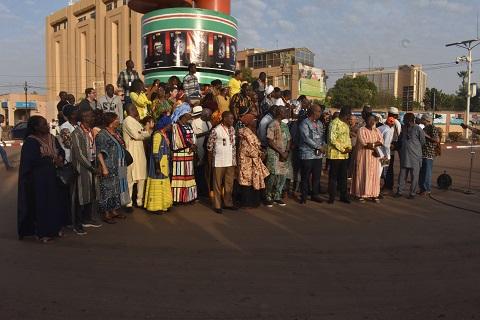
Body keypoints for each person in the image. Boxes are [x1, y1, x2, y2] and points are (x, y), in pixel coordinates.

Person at [17, 116, 66, 243]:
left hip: (53, 178)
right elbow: (30, 161)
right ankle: (42, 233)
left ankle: (55, 229)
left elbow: (61, 151)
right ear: (36, 127)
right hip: (39, 180)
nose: (47, 126)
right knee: (42, 206)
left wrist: (59, 157)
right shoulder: (31, 141)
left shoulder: (52, 138)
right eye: (44, 124)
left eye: (46, 124)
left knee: (55, 204)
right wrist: (49, 159)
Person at [70, 109, 103, 235]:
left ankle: (87, 219)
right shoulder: (76, 133)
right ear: (83, 118)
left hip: (91, 166)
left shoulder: (90, 131)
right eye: (89, 116)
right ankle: (77, 224)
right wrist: (92, 168)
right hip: (81, 169)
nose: (92, 118)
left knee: (90, 194)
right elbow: (79, 155)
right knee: (80, 197)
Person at [96, 112, 130, 222]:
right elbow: (99, 152)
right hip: (109, 166)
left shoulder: (117, 133)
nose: (118, 121)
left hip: (119, 165)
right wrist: (104, 167)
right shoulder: (102, 135)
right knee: (107, 190)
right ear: (111, 122)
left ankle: (114, 210)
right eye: (116, 119)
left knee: (117, 189)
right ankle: (106, 214)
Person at [207, 111, 237, 214]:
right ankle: (217, 205)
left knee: (229, 184)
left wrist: (234, 161)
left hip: (230, 160)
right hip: (219, 161)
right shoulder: (216, 130)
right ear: (224, 119)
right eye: (231, 118)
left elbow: (233, 146)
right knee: (217, 184)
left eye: (233, 118)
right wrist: (210, 161)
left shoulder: (232, 129)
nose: (233, 120)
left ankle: (228, 203)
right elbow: (209, 146)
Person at [237, 114, 270, 208]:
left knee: (257, 179)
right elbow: (246, 149)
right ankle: (246, 203)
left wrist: (260, 152)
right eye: (254, 120)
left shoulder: (251, 132)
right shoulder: (244, 133)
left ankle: (256, 201)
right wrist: (260, 154)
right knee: (247, 182)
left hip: (254, 161)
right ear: (249, 122)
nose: (256, 121)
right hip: (247, 161)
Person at [123, 104, 151, 210]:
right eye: (135, 109)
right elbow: (137, 135)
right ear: (131, 110)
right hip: (131, 151)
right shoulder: (127, 121)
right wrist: (144, 133)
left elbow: (143, 134)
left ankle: (140, 200)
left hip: (140, 151)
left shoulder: (136, 121)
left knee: (141, 177)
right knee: (130, 178)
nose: (137, 111)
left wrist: (143, 133)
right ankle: (128, 202)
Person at [144, 115, 174, 214]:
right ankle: (156, 207)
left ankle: (165, 204)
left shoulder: (164, 134)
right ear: (165, 125)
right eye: (170, 124)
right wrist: (157, 167)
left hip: (164, 163)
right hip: (159, 164)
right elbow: (155, 152)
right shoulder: (157, 135)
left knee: (164, 183)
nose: (171, 126)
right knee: (157, 183)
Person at [350, 114, 384, 202]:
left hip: (374, 157)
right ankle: (360, 194)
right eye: (370, 120)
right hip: (364, 156)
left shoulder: (376, 130)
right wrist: (374, 144)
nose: (372, 122)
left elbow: (381, 141)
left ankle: (374, 194)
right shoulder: (361, 130)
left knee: (374, 175)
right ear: (366, 121)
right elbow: (364, 143)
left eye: (373, 120)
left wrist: (372, 144)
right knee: (363, 174)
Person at [171, 103, 198, 203]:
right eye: (189, 112)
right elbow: (178, 140)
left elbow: (193, 137)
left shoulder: (189, 125)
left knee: (189, 175)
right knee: (180, 175)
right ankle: (178, 198)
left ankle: (189, 197)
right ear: (183, 114)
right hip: (180, 154)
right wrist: (190, 145)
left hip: (189, 154)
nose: (190, 114)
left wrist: (194, 145)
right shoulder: (176, 126)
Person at [298, 104, 325, 204]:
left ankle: (315, 194)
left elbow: (322, 137)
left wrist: (323, 145)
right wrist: (318, 147)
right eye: (318, 111)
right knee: (305, 176)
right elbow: (306, 138)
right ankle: (304, 196)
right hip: (307, 154)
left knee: (316, 176)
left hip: (318, 155)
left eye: (320, 111)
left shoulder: (320, 123)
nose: (320, 113)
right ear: (312, 112)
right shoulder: (304, 123)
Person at [395, 113, 426, 199]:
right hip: (405, 156)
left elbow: (423, 141)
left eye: (404, 119)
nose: (403, 121)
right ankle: (399, 191)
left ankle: (412, 193)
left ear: (409, 120)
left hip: (415, 157)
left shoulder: (418, 129)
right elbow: (400, 139)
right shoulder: (404, 128)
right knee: (402, 175)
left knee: (414, 176)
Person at [265, 105, 291, 207]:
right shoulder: (272, 124)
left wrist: (287, 151)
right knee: (272, 175)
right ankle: (268, 196)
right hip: (274, 154)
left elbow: (289, 139)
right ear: (280, 113)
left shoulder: (284, 125)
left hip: (284, 154)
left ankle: (277, 196)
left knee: (282, 176)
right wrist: (281, 152)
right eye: (284, 111)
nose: (286, 113)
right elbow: (270, 141)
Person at [327, 106, 352, 204]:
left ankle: (343, 196)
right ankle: (331, 197)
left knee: (343, 176)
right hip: (335, 154)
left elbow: (348, 138)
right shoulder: (334, 123)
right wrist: (342, 149)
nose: (349, 118)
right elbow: (332, 139)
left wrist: (349, 148)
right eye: (349, 115)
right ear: (345, 115)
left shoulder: (346, 125)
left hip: (344, 155)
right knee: (333, 176)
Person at [191, 106, 212, 197]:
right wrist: (205, 133)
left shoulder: (208, 123)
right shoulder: (195, 122)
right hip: (198, 148)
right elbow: (193, 136)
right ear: (203, 115)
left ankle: (204, 191)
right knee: (198, 171)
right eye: (209, 115)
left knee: (205, 171)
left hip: (206, 150)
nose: (210, 117)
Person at [418, 114, 439, 195]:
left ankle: (427, 189)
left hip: (429, 153)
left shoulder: (432, 127)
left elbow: (436, 139)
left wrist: (426, 136)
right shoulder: (425, 128)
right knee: (422, 172)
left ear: (426, 120)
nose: (421, 120)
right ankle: (422, 189)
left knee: (427, 172)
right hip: (422, 153)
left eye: (422, 119)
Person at [384, 107, 402, 191]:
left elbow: (399, 136)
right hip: (386, 147)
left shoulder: (396, 123)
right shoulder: (386, 121)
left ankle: (389, 185)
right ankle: (386, 183)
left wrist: (395, 146)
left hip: (391, 148)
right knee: (385, 166)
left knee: (389, 167)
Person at [378, 116, 396, 191]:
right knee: (384, 173)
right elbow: (386, 145)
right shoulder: (388, 130)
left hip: (377, 152)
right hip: (384, 155)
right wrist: (388, 155)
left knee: (378, 172)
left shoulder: (380, 128)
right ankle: (378, 189)